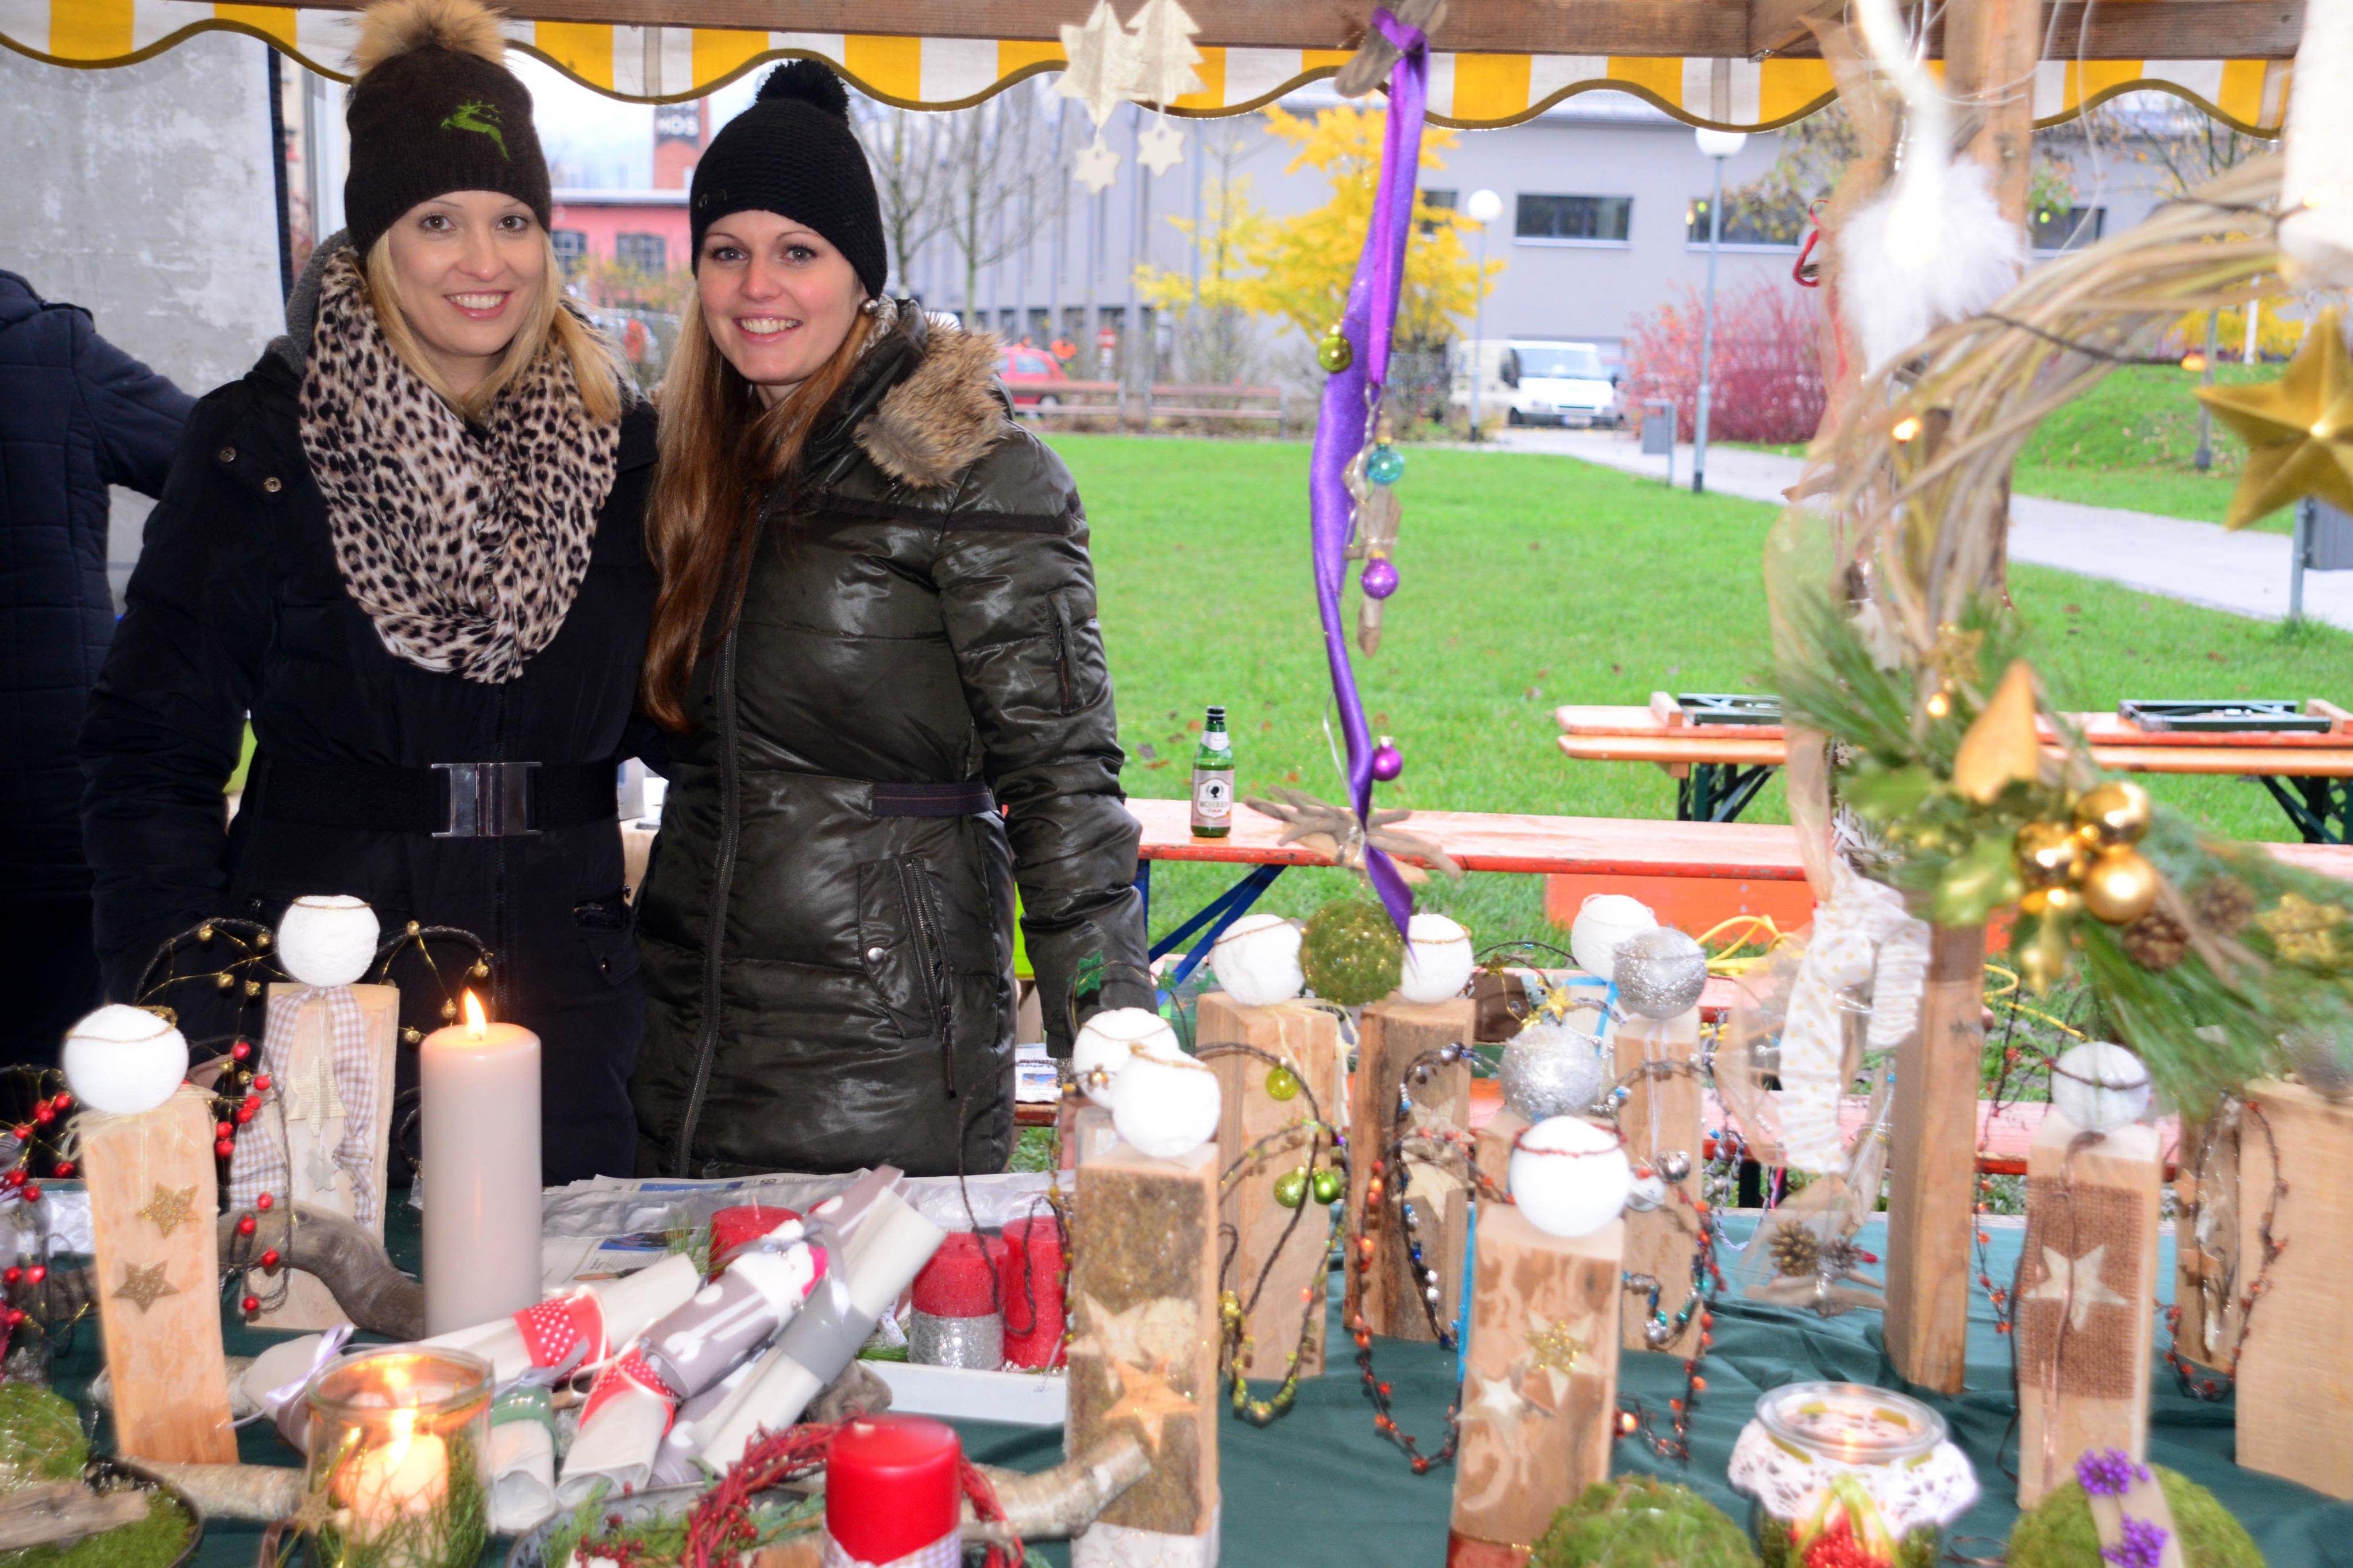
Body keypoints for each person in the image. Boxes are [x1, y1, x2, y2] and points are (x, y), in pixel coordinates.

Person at [81, 0, 656, 1181]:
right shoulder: (263, 443)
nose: (484, 261)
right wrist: (192, 1016)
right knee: (339, 1287)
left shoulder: (623, 449)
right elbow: (148, 757)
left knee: (572, 1292)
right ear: (375, 240)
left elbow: (703, 728)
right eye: (437, 220)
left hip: (568, 1003)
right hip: (322, 1002)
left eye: (512, 221)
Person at [631, 61, 1150, 1179]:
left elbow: (1064, 786)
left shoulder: (975, 476)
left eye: (797, 252)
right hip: (686, 1044)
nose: (756, 286)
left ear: (860, 276)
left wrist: (1112, 1044)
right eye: (726, 251)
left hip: (883, 1053)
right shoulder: (690, 469)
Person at [0, 273, 192, 1067]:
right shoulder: (48, 355)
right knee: (60, 1086)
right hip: (46, 804)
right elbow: (229, 466)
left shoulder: (50, 354)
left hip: (46, 812)